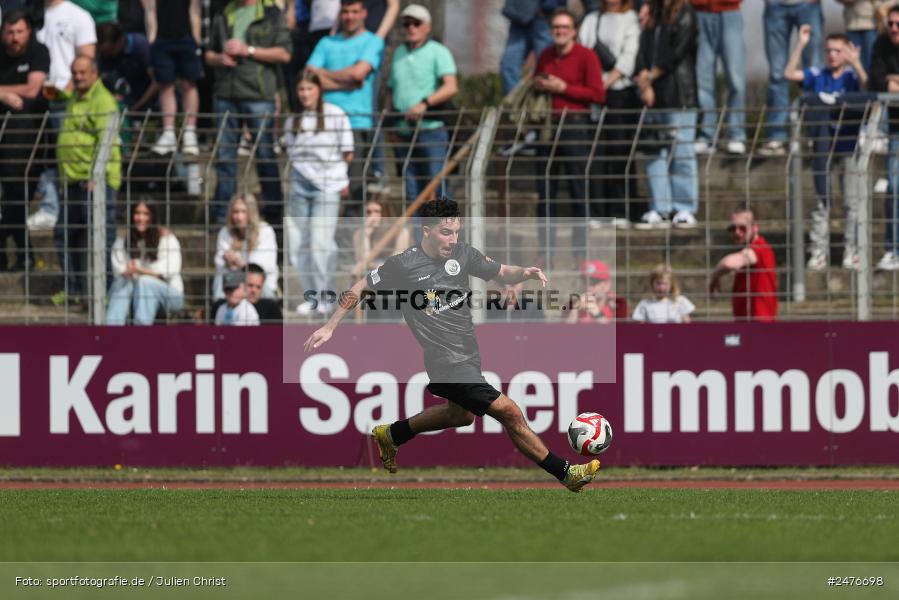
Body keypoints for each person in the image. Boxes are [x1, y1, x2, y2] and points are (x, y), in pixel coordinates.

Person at [304, 198, 602, 493]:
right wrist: (329, 327)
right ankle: (566, 473)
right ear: (427, 231)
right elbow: (360, 286)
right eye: (446, 232)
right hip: (446, 361)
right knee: (509, 411)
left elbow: (499, 270)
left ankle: (392, 434)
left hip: (468, 354)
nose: (453, 239)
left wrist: (524, 272)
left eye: (456, 231)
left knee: (460, 415)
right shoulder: (403, 264)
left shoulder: (462, 253)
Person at [785, 27, 867, 271]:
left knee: (852, 202)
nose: (832, 55)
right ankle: (818, 251)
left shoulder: (852, 76)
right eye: (828, 50)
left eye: (838, 51)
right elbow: (789, 74)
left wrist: (857, 62)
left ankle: (852, 251)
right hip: (822, 147)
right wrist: (800, 45)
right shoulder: (818, 74)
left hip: (849, 145)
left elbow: (867, 86)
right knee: (822, 202)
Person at [206, 0, 291, 223]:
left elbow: (284, 53)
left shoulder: (271, 13)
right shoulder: (223, 11)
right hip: (226, 93)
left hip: (258, 94)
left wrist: (249, 50)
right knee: (224, 158)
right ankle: (223, 218)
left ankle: (273, 218)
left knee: (265, 156)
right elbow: (208, 54)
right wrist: (218, 58)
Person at [533, 7, 604, 265]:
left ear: (573, 31)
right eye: (556, 27)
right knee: (546, 192)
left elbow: (598, 94)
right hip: (547, 127)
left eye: (564, 27)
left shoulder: (587, 56)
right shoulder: (545, 55)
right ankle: (546, 251)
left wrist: (564, 88)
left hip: (575, 126)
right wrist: (540, 83)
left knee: (578, 190)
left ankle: (580, 253)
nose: (560, 32)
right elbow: (535, 82)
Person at [283, 69, 353, 316]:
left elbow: (348, 151)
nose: (305, 94)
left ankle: (327, 294)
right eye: (301, 89)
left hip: (327, 185)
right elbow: (292, 154)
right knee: (298, 243)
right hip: (299, 184)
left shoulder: (335, 114)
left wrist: (340, 177)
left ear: (318, 89)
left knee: (321, 243)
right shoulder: (293, 121)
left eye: (309, 89)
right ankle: (311, 295)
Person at [26, 0, 97, 232]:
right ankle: (49, 206)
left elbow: (87, 57)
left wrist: (68, 90)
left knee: (62, 155)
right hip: (35, 96)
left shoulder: (79, 16)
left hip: (63, 99)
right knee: (42, 153)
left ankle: (56, 208)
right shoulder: (32, 13)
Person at [55, 55, 120, 305]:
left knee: (101, 238)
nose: (78, 77)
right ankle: (74, 290)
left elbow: (108, 142)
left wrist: (98, 177)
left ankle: (105, 293)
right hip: (73, 181)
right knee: (66, 235)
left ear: (95, 73)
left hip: (95, 183)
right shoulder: (75, 97)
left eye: (83, 73)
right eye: (75, 73)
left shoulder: (102, 101)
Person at [305, 0, 384, 201]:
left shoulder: (373, 41)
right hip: (325, 122)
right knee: (322, 189)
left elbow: (358, 74)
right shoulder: (326, 42)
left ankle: (351, 232)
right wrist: (346, 81)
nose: (349, 17)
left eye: (354, 12)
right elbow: (308, 75)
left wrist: (325, 77)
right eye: (346, 12)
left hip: (356, 123)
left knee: (354, 190)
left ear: (364, 13)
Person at [634, 0, 699, 229]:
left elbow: (678, 52)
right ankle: (659, 207)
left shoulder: (685, 13)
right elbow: (641, 49)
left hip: (679, 93)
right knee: (654, 151)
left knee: (681, 152)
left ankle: (684, 207)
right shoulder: (651, 14)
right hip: (652, 95)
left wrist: (649, 77)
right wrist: (644, 82)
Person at [387, 4, 458, 215]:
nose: (411, 28)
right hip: (403, 131)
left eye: (416, 23)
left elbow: (451, 86)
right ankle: (420, 245)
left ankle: (447, 243)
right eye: (407, 23)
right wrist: (390, 123)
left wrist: (425, 104)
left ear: (427, 27)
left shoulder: (438, 51)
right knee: (412, 192)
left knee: (437, 189)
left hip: (431, 129)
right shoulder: (399, 52)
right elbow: (392, 90)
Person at [578, 0, 641, 225]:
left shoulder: (630, 19)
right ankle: (597, 212)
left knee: (619, 152)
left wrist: (604, 84)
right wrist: (594, 86)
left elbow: (628, 58)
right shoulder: (592, 19)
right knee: (596, 154)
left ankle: (620, 210)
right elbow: (583, 50)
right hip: (593, 95)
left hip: (619, 94)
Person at [0, 9, 49, 271]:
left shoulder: (38, 52)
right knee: (12, 196)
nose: (14, 38)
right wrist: (5, 96)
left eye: (19, 32)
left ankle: (13, 250)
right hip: (3, 131)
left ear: (28, 31)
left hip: (29, 135)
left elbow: (33, 89)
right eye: (9, 32)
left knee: (18, 193)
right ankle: (24, 255)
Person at [758, 0, 824, 156]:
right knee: (777, 74)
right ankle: (776, 135)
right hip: (775, 5)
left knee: (814, 71)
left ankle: (815, 132)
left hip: (809, 5)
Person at [106, 200, 184, 325]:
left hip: (169, 296)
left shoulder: (167, 238)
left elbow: (170, 271)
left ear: (153, 216)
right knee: (122, 281)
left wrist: (139, 270)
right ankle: (112, 330)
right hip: (132, 295)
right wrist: (130, 272)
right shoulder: (123, 240)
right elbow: (118, 271)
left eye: (146, 214)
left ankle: (141, 331)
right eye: (137, 213)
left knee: (145, 282)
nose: (141, 218)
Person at [144, 0, 202, 155]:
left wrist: (196, 36)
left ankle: (190, 132)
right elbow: (150, 8)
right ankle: (168, 132)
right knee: (165, 85)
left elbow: (195, 8)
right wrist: (152, 37)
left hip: (186, 36)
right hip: (162, 38)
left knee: (189, 84)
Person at [691, 0, 746, 155]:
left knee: (736, 80)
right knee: (703, 82)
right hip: (700, 12)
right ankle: (707, 136)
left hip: (730, 12)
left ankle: (736, 135)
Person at [708, 207, 778, 322]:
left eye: (742, 228)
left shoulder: (760, 248)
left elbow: (728, 263)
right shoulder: (752, 248)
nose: (737, 232)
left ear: (755, 227)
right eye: (732, 228)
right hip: (746, 323)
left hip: (759, 324)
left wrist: (714, 276)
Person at [869, 4, 899, 271]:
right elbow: (877, 80)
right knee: (894, 186)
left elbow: (888, 82)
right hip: (896, 128)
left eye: (898, 24)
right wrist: (889, 81)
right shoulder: (880, 44)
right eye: (890, 23)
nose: (893, 28)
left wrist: (894, 81)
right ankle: (892, 249)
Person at [213, 193, 279, 300]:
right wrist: (227, 261)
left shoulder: (265, 231)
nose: (239, 217)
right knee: (221, 278)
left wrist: (239, 263)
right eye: (235, 212)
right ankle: (219, 310)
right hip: (235, 283)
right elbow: (219, 263)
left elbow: (261, 268)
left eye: (244, 212)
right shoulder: (225, 232)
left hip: (260, 286)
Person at [499, 0, 564, 94]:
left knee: (547, 67)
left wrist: (549, 5)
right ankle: (514, 103)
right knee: (509, 65)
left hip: (544, 18)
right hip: (519, 18)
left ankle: (545, 103)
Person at [96, 21, 156, 111]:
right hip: (128, 99)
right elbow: (101, 79)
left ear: (120, 40)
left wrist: (137, 106)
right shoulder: (106, 54)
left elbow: (157, 82)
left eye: (109, 50)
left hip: (151, 100)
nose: (107, 55)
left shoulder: (140, 46)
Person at [210, 262, 282, 323]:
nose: (254, 291)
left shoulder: (271, 309)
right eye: (250, 285)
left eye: (258, 287)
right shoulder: (221, 306)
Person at [565, 259, 627, 323]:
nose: (588, 287)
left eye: (594, 282)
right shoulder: (572, 304)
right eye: (585, 281)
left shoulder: (618, 303)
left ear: (607, 285)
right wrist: (574, 312)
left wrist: (597, 314)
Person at [838, 0, 890, 72]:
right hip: (851, 24)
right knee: (855, 64)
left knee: (873, 63)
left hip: (872, 24)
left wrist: (882, 7)